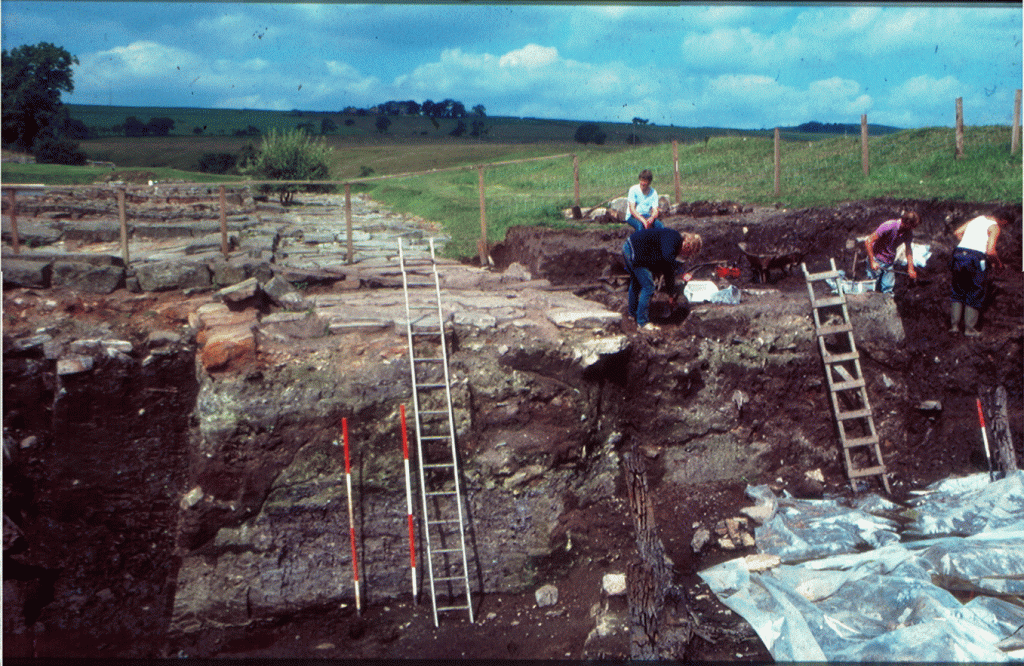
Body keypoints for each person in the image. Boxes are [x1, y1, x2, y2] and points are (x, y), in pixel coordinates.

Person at [949, 207, 1014, 337]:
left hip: (959, 254)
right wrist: (998, 265)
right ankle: (970, 329)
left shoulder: (977, 218)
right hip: (976, 258)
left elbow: (957, 233)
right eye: (1006, 224)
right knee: (975, 290)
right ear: (1004, 220)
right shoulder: (994, 227)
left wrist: (969, 244)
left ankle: (954, 326)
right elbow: (990, 250)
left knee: (958, 289)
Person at [622, 226, 701, 331]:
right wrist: (682, 273)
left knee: (636, 283)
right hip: (635, 250)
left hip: (631, 247)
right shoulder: (674, 238)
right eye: (689, 253)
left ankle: (632, 315)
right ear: (688, 245)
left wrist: (671, 295)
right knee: (648, 287)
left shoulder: (672, 246)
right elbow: (667, 259)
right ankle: (642, 323)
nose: (686, 256)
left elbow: (668, 271)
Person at [864, 211, 921, 293]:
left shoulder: (908, 233)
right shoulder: (889, 226)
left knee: (888, 289)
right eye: (913, 226)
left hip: (889, 262)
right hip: (876, 259)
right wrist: (872, 261)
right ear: (907, 223)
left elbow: (908, 249)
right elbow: (868, 241)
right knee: (871, 288)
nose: (914, 228)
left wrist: (911, 268)